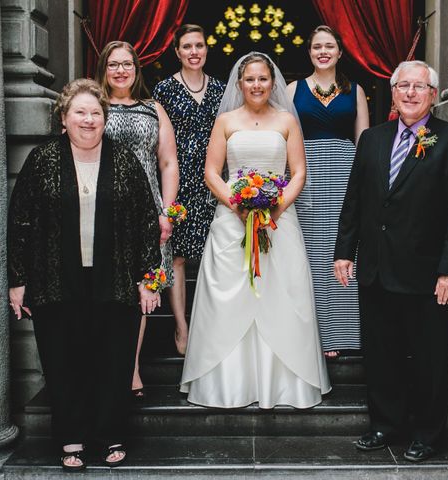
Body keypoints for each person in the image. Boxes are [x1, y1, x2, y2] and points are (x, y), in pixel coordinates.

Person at [7, 79, 162, 470]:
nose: (88, 120)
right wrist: (18, 280)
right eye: (80, 112)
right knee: (63, 360)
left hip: (116, 279)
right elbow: (20, 221)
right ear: (64, 118)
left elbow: (146, 221)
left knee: (113, 360)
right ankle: (71, 438)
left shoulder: (125, 159)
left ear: (104, 119)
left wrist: (149, 278)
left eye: (96, 113)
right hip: (56, 279)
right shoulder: (42, 160)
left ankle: (111, 436)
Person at [334, 60, 448, 461]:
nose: (410, 93)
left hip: (429, 275)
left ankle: (427, 432)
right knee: (381, 354)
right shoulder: (372, 139)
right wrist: (344, 252)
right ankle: (386, 423)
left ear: (432, 94)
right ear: (393, 91)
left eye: (419, 87)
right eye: (403, 86)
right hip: (377, 269)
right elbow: (356, 201)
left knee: (430, 359)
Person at [180, 52, 331, 408]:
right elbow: (212, 172)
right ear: (239, 83)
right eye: (250, 79)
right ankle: (227, 384)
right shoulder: (227, 121)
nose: (257, 85)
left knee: (282, 294)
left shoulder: (287, 121)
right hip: (232, 220)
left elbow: (299, 173)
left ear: (272, 82)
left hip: (280, 220)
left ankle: (283, 383)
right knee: (228, 298)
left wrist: (275, 208)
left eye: (263, 79)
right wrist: (237, 204)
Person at [95, 41, 179, 397]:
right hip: (103, 209)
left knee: (142, 291)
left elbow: (168, 162)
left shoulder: (153, 108)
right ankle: (102, 365)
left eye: (127, 64)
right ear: (103, 69)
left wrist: (167, 211)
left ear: (136, 69)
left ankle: (130, 368)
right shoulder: (93, 107)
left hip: (148, 213)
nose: (120, 71)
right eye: (113, 64)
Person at [287, 25, 369, 358]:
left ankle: (342, 332)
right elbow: (286, 137)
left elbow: (364, 140)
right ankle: (314, 333)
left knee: (344, 248)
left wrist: (364, 181)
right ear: (309, 52)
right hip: (306, 174)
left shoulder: (356, 90)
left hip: (346, 172)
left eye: (329, 46)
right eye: (317, 46)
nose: (323, 51)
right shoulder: (293, 89)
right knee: (310, 253)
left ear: (339, 52)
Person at [153, 24, 226, 356]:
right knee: (178, 258)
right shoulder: (164, 89)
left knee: (217, 255)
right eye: (187, 46)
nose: (194, 52)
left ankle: (212, 326)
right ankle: (181, 326)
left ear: (206, 50)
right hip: (178, 181)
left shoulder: (222, 90)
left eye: (199, 45)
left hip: (212, 181)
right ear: (177, 51)